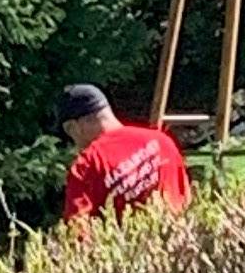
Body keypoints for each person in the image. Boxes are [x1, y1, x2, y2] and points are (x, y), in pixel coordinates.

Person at [58, 85, 191, 224]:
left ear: (72, 128)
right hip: (184, 238)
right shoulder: (161, 140)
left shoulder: (85, 167)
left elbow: (77, 232)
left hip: (132, 244)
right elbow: (185, 197)